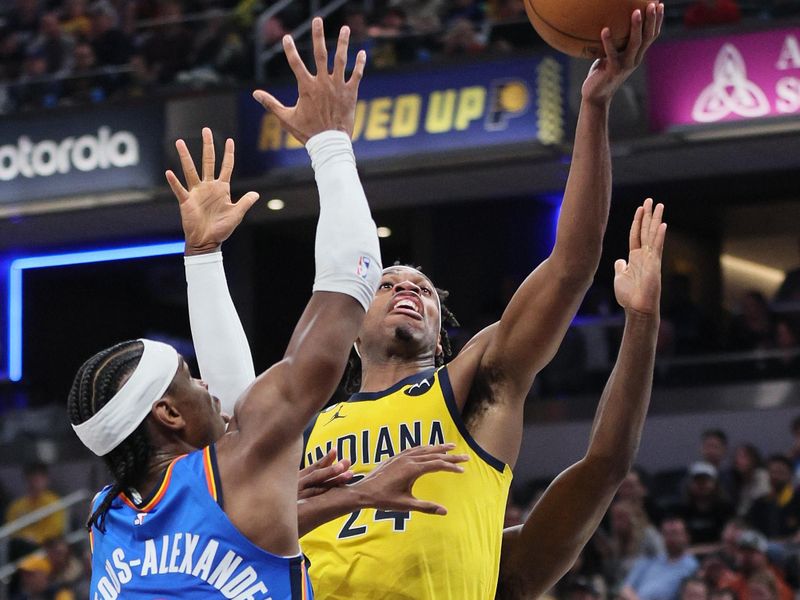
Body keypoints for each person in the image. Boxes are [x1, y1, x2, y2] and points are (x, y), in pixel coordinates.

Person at [195, 6, 665, 598]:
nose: (408, 290)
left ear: (442, 335)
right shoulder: (303, 423)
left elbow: (571, 265)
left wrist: (594, 108)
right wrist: (203, 257)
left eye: (423, 289)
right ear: (350, 325)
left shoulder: (473, 385)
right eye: (388, 283)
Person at [69, 21, 464, 599]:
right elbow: (344, 293)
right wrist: (329, 141)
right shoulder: (240, 465)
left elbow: (237, 509)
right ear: (168, 416)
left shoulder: (106, 516)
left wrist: (203, 258)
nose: (205, 382)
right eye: (188, 380)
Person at [620, 517, 699, 600]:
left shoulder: (692, 566)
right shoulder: (650, 558)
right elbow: (626, 589)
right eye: (666, 534)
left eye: (674, 533)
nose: (670, 538)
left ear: (686, 536)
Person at [5, 462, 66, 547]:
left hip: (44, 546)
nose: (34, 483)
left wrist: (37, 538)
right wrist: (24, 537)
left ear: (46, 480)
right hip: (21, 545)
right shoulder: (16, 506)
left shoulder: (54, 502)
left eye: (38, 479)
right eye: (31, 479)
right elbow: (10, 530)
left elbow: (56, 529)